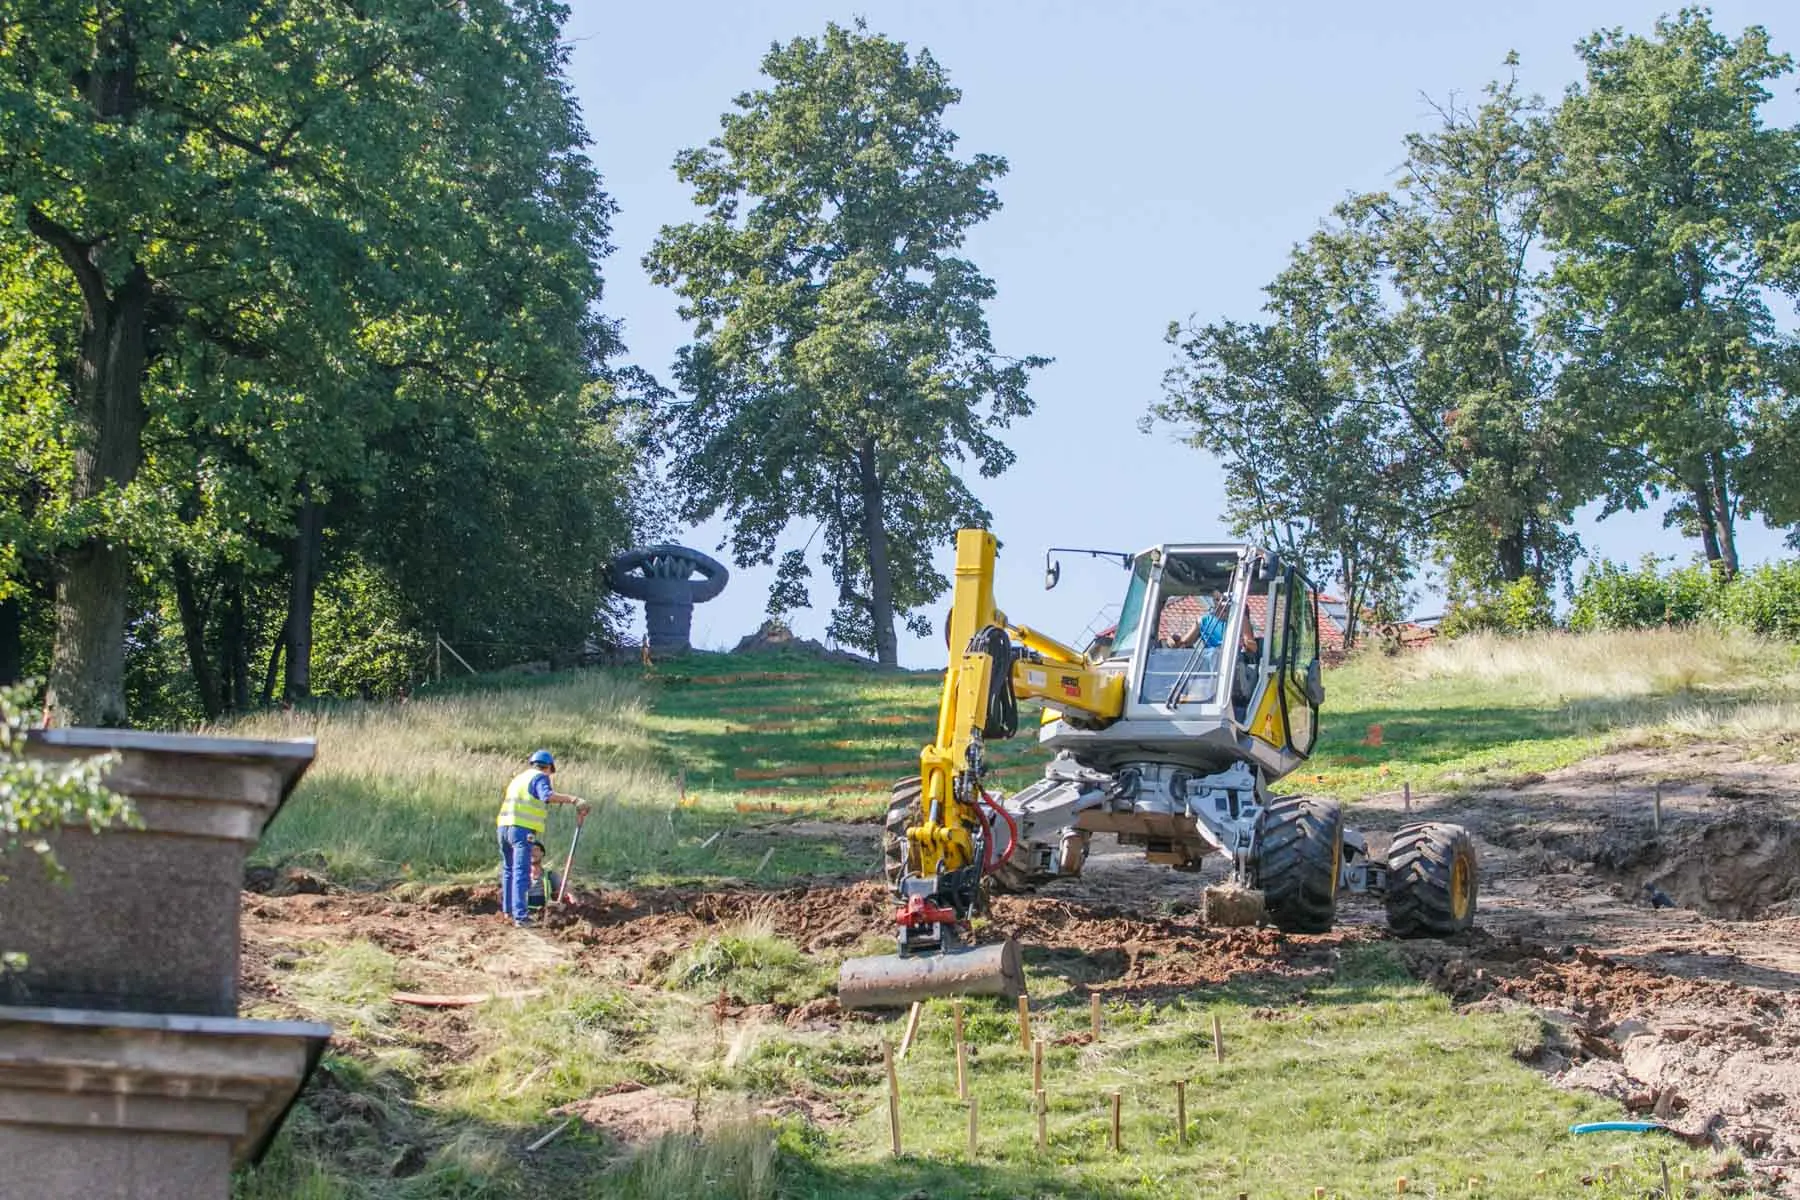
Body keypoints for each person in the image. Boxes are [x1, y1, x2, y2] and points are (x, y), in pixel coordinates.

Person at [497, 749, 587, 928]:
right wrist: (573, 799)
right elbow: (547, 796)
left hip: (503, 827)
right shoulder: (539, 777)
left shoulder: (519, 778)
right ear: (549, 768)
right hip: (521, 830)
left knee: (509, 870)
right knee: (522, 872)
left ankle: (508, 911)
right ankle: (521, 917)